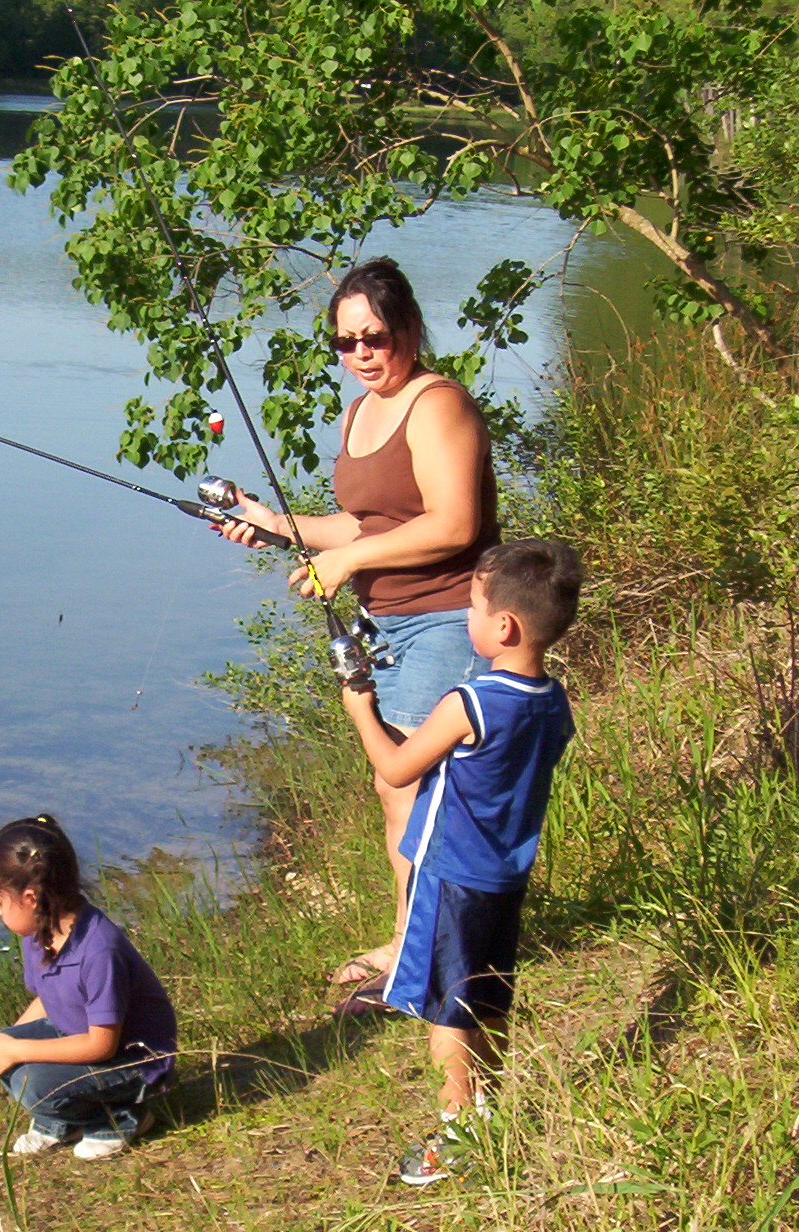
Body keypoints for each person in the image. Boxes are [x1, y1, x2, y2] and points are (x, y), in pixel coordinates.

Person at [220, 256, 500, 998]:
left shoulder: (437, 404)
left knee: (404, 780)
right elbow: (363, 520)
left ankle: (424, 953)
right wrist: (281, 526)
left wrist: (346, 565)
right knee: (395, 785)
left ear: (408, 328)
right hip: (390, 623)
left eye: (374, 336)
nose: (361, 354)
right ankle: (415, 935)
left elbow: (453, 523)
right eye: (345, 343)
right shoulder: (361, 410)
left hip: (447, 614)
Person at [338, 539, 581, 1184]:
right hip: (506, 877)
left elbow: (394, 769)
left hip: (447, 876)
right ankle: (487, 1116)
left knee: (447, 1011)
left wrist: (360, 706)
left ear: (504, 626)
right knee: (489, 997)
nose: (466, 618)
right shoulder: (553, 702)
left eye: (472, 607)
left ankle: (457, 1141)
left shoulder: (468, 703)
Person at [0, 814, 176, 1160]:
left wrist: (19, 1052)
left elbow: (101, 1045)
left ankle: (120, 1118)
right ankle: (59, 1122)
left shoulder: (99, 950)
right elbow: (46, 1001)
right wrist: (5, 1044)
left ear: (30, 898)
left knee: (34, 1082)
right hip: (77, 1035)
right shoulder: (40, 932)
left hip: (131, 1060)